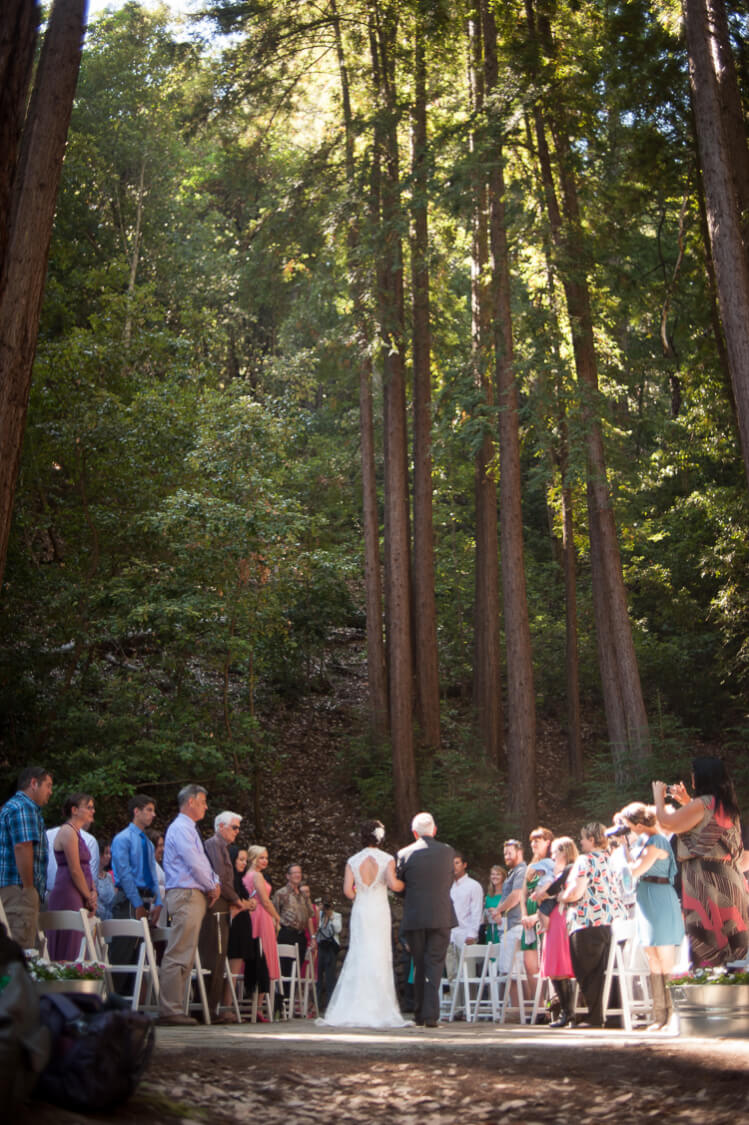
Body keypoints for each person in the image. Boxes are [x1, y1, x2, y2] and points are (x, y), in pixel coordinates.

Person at [653, 757, 749, 967]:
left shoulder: (703, 803)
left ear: (702, 776)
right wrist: (687, 802)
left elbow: (667, 823)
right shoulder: (725, 804)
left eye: (694, 773)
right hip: (728, 880)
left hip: (705, 883)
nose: (692, 777)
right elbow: (706, 826)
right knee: (732, 942)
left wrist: (658, 798)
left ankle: (713, 992)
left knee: (710, 941)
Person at [318, 819, 409, 1028]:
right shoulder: (387, 859)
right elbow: (394, 885)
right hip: (378, 909)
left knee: (359, 952)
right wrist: (407, 883)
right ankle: (379, 1007)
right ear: (380, 836)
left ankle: (354, 1005)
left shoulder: (353, 860)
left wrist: (362, 892)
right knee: (379, 953)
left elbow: (348, 892)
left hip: (361, 908)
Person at [617, 801, 684, 1029]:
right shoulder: (643, 841)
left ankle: (673, 1015)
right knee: (652, 959)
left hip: (660, 897)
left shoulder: (657, 841)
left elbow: (637, 870)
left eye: (629, 825)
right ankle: (659, 1016)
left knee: (665, 958)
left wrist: (626, 865)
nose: (629, 830)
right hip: (645, 897)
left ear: (638, 824)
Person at [158, 784, 220, 1026]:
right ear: (191, 801)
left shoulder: (189, 829)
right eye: (203, 801)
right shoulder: (181, 828)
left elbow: (201, 861)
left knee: (185, 951)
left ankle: (176, 1007)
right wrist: (211, 885)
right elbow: (194, 862)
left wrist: (212, 882)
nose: (206, 806)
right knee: (179, 950)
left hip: (191, 894)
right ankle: (170, 1009)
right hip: (185, 894)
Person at [560, 821, 623, 1028]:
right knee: (608, 971)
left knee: (587, 971)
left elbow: (577, 891)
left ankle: (595, 1016)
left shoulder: (585, 860)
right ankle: (614, 1016)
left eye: (583, 838)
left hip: (588, 920)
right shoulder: (610, 859)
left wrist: (563, 896)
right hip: (612, 921)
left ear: (592, 839)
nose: (581, 842)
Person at [396, 811, 457, 1028]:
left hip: (415, 915)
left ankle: (421, 1012)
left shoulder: (404, 853)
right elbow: (449, 879)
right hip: (441, 914)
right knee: (435, 964)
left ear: (414, 833)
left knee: (419, 964)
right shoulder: (448, 852)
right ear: (435, 830)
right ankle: (430, 1015)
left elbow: (400, 887)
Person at [200, 811, 254, 1023]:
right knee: (215, 953)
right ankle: (208, 1009)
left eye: (239, 827)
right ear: (221, 826)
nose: (237, 832)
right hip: (218, 903)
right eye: (234, 827)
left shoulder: (223, 847)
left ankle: (212, 1008)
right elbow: (220, 876)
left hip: (224, 901)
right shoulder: (214, 844)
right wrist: (237, 900)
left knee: (219, 956)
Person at [110, 793, 162, 991]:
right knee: (123, 948)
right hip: (128, 898)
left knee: (139, 951)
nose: (152, 814)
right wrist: (136, 903)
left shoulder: (147, 843)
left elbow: (152, 873)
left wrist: (158, 902)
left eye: (153, 810)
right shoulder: (123, 839)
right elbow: (124, 874)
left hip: (145, 896)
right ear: (136, 811)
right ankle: (116, 998)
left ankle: (132, 1002)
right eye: (148, 810)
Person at [0, 765, 53, 948]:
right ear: (33, 783)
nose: (50, 792)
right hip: (19, 891)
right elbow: (23, 846)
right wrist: (29, 888)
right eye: (48, 785)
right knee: (20, 951)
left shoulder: (15, 806)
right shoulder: (24, 808)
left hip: (13, 889)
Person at [47, 792, 98, 959]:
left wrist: (93, 891)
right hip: (69, 893)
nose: (93, 811)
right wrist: (87, 896)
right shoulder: (68, 832)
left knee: (79, 943)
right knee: (69, 943)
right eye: (89, 807)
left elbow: (86, 869)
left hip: (80, 892)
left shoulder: (78, 834)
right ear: (75, 810)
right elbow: (75, 869)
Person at [534, 835, 578, 1028]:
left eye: (555, 853)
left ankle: (569, 1013)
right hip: (553, 917)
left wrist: (543, 894)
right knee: (554, 967)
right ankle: (565, 1012)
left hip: (560, 918)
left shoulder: (571, 869)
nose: (552, 857)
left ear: (564, 852)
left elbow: (552, 891)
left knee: (560, 965)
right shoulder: (558, 871)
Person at [243, 844, 281, 1018]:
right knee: (263, 954)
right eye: (261, 857)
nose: (265, 861)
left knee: (258, 955)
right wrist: (277, 917)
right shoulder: (257, 875)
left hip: (252, 914)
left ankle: (253, 1004)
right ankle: (257, 1006)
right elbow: (265, 901)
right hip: (260, 915)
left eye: (266, 857)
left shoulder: (245, 875)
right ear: (253, 858)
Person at [520, 827, 555, 1004]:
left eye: (537, 840)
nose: (533, 844)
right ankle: (538, 1005)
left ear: (547, 842)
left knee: (545, 962)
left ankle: (551, 1004)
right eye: (532, 841)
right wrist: (525, 914)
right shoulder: (531, 867)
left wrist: (536, 916)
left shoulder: (552, 863)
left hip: (543, 916)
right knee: (529, 964)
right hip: (528, 921)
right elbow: (523, 893)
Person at [225, 847, 261, 1011]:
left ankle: (228, 1005)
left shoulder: (238, 879)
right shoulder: (229, 879)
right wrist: (247, 904)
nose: (243, 863)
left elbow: (245, 902)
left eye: (245, 860)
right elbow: (236, 904)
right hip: (235, 928)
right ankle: (226, 1006)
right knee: (231, 969)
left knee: (235, 968)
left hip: (242, 926)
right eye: (240, 859)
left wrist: (247, 904)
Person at [273, 862, 314, 1003]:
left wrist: (313, 937)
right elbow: (274, 915)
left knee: (297, 969)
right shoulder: (281, 893)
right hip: (286, 933)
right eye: (294, 872)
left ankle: (290, 1001)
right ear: (288, 876)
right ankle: (281, 1001)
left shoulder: (303, 895)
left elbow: (309, 915)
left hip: (301, 935)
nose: (297, 875)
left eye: (299, 872)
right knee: (285, 968)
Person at [446, 851, 483, 1004]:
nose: (454, 867)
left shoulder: (473, 886)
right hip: (450, 934)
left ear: (464, 865)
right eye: (452, 863)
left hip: (466, 933)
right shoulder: (448, 886)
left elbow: (476, 911)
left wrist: (473, 933)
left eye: (457, 863)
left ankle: (470, 1006)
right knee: (452, 973)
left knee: (468, 974)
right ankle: (456, 1007)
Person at [488, 839, 527, 981]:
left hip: (515, 926)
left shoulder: (521, 871)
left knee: (513, 975)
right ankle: (513, 1004)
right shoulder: (513, 872)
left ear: (520, 852)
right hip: (507, 927)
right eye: (505, 854)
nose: (507, 857)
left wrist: (498, 910)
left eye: (510, 853)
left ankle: (522, 1004)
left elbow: (516, 895)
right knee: (509, 974)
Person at [46, 820, 99, 903]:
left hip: (49, 895)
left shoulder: (48, 834)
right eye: (89, 808)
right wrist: (89, 897)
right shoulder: (89, 840)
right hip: (77, 897)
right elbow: (90, 875)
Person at [315, 898, 342, 1010]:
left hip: (330, 947)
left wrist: (331, 917)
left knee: (330, 976)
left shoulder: (336, 915)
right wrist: (320, 914)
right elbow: (318, 928)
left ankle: (331, 1005)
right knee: (318, 976)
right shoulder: (319, 915)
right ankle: (316, 1003)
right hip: (321, 946)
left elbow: (338, 929)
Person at [483, 865, 506, 944]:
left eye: (498, 874)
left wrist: (497, 912)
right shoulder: (488, 897)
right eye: (493, 874)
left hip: (503, 931)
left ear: (503, 877)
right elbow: (485, 919)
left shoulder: (507, 895)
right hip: (490, 932)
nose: (495, 876)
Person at [96, 841, 116, 921]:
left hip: (112, 920)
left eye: (110, 853)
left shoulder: (108, 876)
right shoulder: (92, 877)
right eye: (106, 853)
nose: (109, 856)